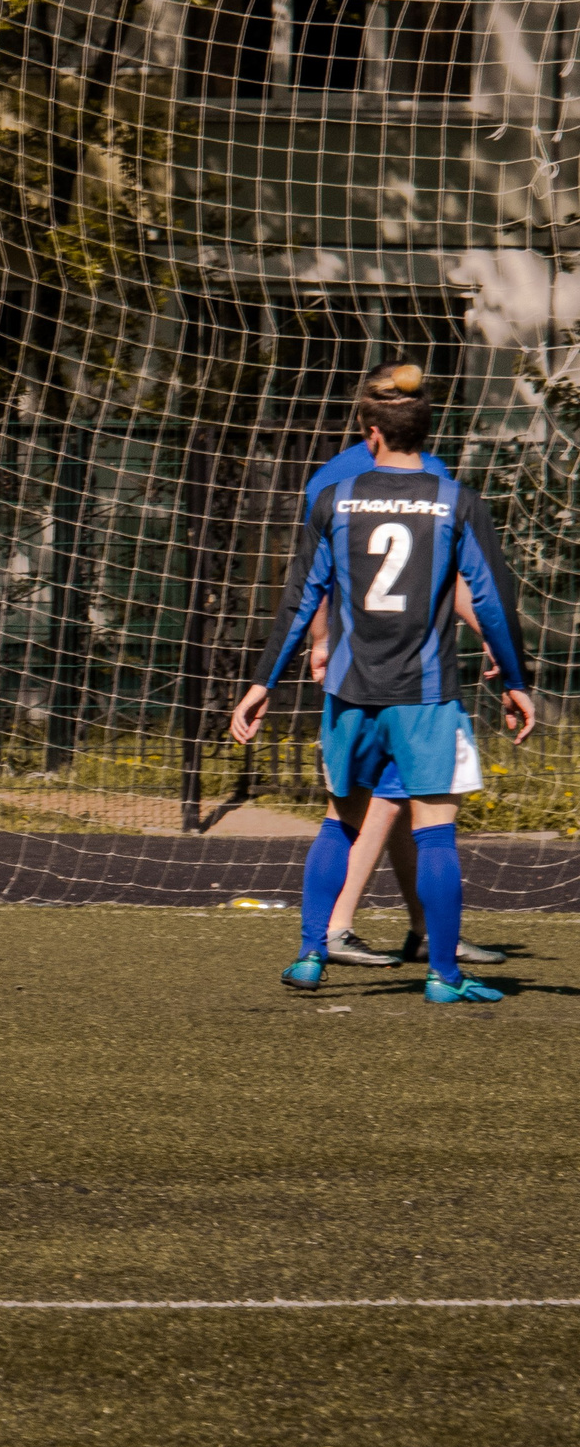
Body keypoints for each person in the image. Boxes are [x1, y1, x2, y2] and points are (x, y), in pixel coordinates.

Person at [230, 362, 538, 1003]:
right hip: (425, 698)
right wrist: (515, 678)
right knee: (435, 832)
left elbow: (299, 598)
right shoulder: (456, 500)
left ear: (370, 432)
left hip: (350, 693)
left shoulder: (335, 499)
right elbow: (493, 598)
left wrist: (263, 682)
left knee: (338, 822)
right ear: (426, 428)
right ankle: (443, 976)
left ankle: (313, 954)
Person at [297, 411, 506, 971]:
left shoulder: (335, 481)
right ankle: (351, 929)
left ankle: (413, 932)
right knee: (394, 802)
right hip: (403, 675)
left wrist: (318, 640)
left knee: (376, 801)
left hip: (358, 670)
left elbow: (317, 576)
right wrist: (498, 641)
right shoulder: (425, 480)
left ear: (370, 423)